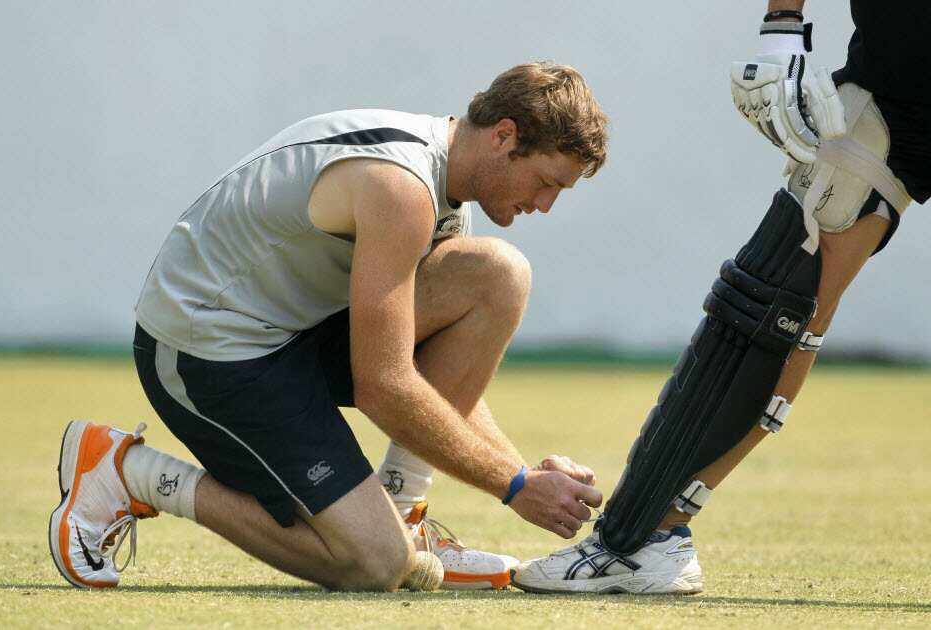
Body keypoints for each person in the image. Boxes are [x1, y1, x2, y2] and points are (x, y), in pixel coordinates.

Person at [48, 62, 608, 592]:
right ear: (504, 136)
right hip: (207, 349)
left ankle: (404, 512)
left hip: (295, 331)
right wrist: (513, 485)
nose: (544, 204)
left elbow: (429, 374)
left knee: (497, 275)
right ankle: (129, 472)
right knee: (375, 564)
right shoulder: (401, 188)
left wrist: (523, 470)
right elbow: (385, 384)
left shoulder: (444, 194)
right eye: (546, 182)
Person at [513, 0, 930, 594]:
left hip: (899, 86)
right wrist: (782, 26)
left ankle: (643, 540)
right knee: (778, 298)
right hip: (903, 84)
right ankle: (647, 535)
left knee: (769, 303)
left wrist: (782, 28)